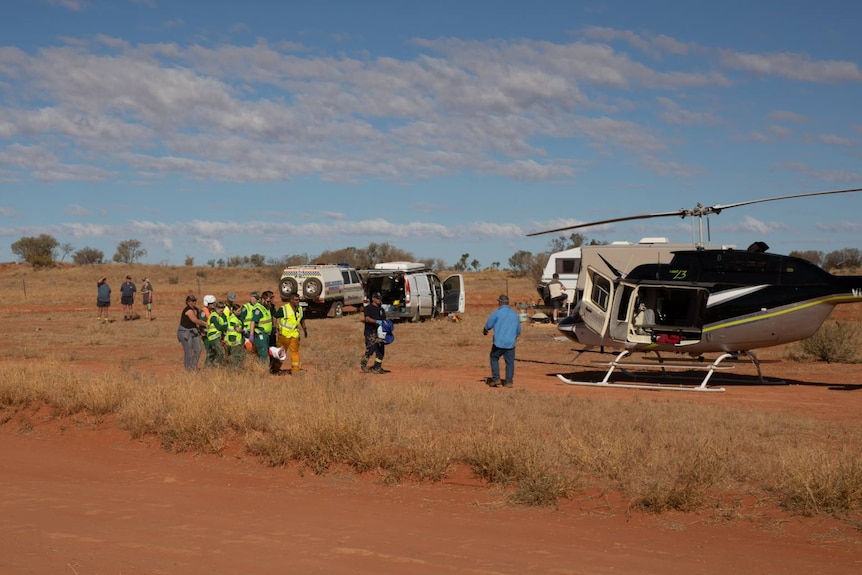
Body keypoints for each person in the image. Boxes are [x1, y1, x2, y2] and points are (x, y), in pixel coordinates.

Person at [483, 294, 522, 388]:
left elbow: (488, 325)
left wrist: (485, 330)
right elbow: (518, 331)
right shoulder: (515, 314)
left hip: (498, 343)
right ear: (507, 303)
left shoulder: (496, 313)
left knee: (494, 358)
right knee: (510, 362)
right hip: (510, 344)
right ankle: (509, 382)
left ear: (500, 303)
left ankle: (496, 378)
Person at [275, 292, 308, 374]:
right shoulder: (284, 309)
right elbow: (275, 317)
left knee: (295, 353)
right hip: (284, 335)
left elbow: (301, 319)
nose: (298, 301)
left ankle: (295, 370)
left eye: (298, 300)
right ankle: (275, 369)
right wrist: (275, 328)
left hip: (294, 335)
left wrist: (304, 329)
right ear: (291, 300)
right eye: (296, 300)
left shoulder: (299, 309)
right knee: (281, 353)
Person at [238, 291, 272, 364]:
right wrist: (251, 335)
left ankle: (255, 367)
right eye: (268, 301)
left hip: (264, 334)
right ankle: (261, 370)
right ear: (263, 299)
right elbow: (252, 321)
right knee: (262, 354)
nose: (269, 303)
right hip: (256, 334)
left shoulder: (266, 307)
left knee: (259, 353)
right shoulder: (258, 309)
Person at [177, 294, 208, 371]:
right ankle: (187, 369)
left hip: (194, 331)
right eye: (193, 301)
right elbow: (195, 320)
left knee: (198, 349)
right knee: (188, 350)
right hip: (185, 332)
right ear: (188, 302)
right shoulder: (188, 310)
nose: (195, 302)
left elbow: (197, 321)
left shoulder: (196, 309)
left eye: (195, 300)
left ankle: (193, 367)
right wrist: (206, 324)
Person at [361, 291, 389, 373]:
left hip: (379, 333)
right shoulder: (368, 308)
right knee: (370, 349)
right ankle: (363, 364)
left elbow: (384, 320)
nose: (379, 300)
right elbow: (367, 319)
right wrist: (376, 321)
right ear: (373, 299)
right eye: (377, 298)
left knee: (380, 351)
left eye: (380, 298)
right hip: (370, 332)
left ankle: (377, 367)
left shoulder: (381, 310)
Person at [204, 301, 228, 367]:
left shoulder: (220, 316)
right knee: (221, 352)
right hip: (213, 337)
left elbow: (225, 323)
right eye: (220, 308)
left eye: (223, 308)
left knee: (212, 353)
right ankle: (216, 363)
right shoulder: (214, 317)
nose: (221, 310)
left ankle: (207, 367)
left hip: (216, 337)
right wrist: (225, 326)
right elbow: (219, 327)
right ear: (216, 308)